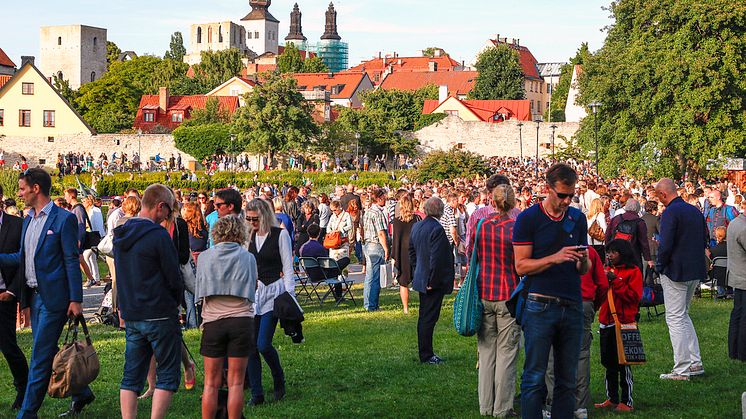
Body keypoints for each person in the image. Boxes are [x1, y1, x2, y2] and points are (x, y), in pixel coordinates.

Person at [0, 168, 95, 418]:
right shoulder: (28, 219)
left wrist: (76, 299)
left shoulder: (63, 219)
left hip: (55, 299)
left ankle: (27, 413)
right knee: (48, 348)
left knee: (40, 357)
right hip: (34, 296)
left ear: (36, 189)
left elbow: (71, 260)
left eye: (22, 189)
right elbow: (24, 257)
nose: (19, 194)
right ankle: (81, 392)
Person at [512, 163, 589, 419]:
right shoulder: (528, 219)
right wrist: (555, 258)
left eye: (571, 195)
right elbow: (521, 265)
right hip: (539, 304)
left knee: (567, 379)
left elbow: (583, 267)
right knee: (534, 376)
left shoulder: (577, 218)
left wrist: (582, 261)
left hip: (572, 303)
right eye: (562, 195)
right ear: (548, 189)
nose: (567, 201)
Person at [114, 184, 183, 419]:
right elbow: (173, 275)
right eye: (169, 211)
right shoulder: (158, 235)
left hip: (133, 311)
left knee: (131, 375)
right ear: (160, 206)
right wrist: (176, 301)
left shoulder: (121, 233)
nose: (168, 217)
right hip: (159, 311)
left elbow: (120, 275)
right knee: (167, 373)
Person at [196, 215, 258, 419]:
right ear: (240, 233)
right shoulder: (247, 257)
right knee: (236, 382)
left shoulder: (205, 257)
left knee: (210, 382)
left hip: (213, 321)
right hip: (241, 320)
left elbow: (200, 291)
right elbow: (252, 287)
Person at [473, 185, 520, 417]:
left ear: (492, 201)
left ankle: (485, 405)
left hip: (484, 292)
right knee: (507, 353)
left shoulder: (481, 226)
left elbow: (474, 256)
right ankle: (502, 407)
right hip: (508, 294)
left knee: (486, 351)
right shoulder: (515, 228)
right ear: (512, 204)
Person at [654, 178, 708, 380]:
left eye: (658, 196)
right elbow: (704, 238)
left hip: (675, 270)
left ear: (663, 194)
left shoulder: (670, 212)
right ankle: (694, 362)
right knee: (683, 315)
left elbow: (665, 244)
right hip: (694, 269)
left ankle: (682, 368)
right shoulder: (694, 210)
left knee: (675, 318)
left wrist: (659, 266)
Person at [244, 198, 295, 405]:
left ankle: (278, 378)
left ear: (264, 215)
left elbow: (288, 267)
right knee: (250, 347)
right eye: (248, 218)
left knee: (263, 344)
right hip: (253, 296)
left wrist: (290, 297)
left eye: (254, 219)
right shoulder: (249, 236)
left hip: (274, 293)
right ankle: (257, 394)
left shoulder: (280, 235)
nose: (251, 222)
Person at [595, 239, 643, 412]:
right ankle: (612, 398)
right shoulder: (608, 270)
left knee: (624, 363)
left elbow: (633, 297)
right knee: (608, 362)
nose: (609, 255)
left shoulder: (633, 272)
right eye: (608, 252)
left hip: (623, 323)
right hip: (606, 322)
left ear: (623, 253)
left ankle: (626, 401)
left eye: (613, 252)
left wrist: (616, 281)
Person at [409, 197, 454, 364]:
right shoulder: (437, 229)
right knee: (429, 317)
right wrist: (432, 279)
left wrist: (418, 271)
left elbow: (411, 252)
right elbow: (438, 258)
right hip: (432, 280)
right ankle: (426, 353)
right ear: (440, 211)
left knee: (424, 317)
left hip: (422, 276)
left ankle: (425, 351)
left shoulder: (417, 226)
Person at [0, 196, 28, 411]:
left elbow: (25, 261)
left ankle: (23, 387)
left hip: (4, 293)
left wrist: (12, 290)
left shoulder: (17, 224)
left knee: (8, 345)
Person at [391, 194, 420, 314]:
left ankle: (406, 308)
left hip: (402, 252)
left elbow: (395, 239)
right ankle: (423, 305)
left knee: (403, 282)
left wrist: (394, 257)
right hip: (416, 250)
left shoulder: (396, 222)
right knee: (420, 279)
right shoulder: (417, 219)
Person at [605, 199, 651, 273]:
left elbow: (607, 236)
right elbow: (644, 242)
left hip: (616, 254)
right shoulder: (639, 222)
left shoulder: (616, 219)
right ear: (638, 209)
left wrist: (608, 252)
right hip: (633, 255)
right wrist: (648, 258)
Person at [362, 189, 389, 311]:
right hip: (376, 245)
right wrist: (386, 248)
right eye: (384, 198)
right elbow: (381, 233)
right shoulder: (377, 213)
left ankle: (368, 303)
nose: (386, 200)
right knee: (375, 276)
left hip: (368, 244)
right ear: (378, 199)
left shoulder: (367, 212)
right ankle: (372, 305)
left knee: (369, 276)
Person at [64, 188, 96, 287]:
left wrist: (79, 240)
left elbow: (80, 225)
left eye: (66, 196)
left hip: (77, 238)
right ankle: (90, 278)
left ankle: (89, 278)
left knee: (78, 259)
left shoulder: (77, 209)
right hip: (76, 238)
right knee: (80, 259)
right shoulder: (76, 208)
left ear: (71, 196)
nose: (65, 198)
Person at [727, 200, 746, 361]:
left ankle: (734, 351)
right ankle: (741, 352)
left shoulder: (734, 223)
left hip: (737, 274)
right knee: (742, 317)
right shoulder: (743, 227)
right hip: (743, 277)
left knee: (737, 314)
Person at [82, 196, 105, 286]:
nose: (83, 203)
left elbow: (97, 224)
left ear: (89, 201)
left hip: (93, 235)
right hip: (90, 235)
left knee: (86, 257)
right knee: (92, 258)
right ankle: (96, 278)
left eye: (84, 201)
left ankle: (90, 278)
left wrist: (99, 236)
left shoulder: (94, 210)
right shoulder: (89, 210)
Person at [709, 226, 729, 298]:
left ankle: (721, 292)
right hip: (730, 273)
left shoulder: (714, 250)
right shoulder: (731, 249)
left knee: (715, 268)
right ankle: (730, 292)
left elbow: (711, 261)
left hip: (717, 274)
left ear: (716, 236)